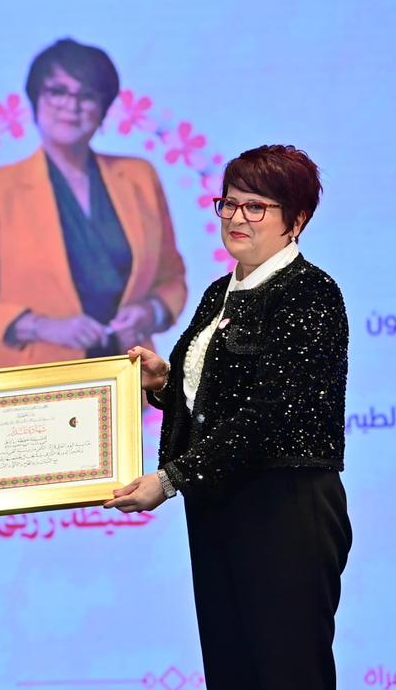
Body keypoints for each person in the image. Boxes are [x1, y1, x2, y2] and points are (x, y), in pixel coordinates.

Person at [105, 145, 351, 689]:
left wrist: (170, 479)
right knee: (231, 671)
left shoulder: (310, 292)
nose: (237, 217)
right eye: (230, 203)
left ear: (296, 221)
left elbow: (267, 415)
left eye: (256, 206)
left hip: (284, 510)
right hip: (220, 509)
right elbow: (216, 403)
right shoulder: (221, 292)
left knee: (286, 674)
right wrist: (165, 384)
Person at [0, 38, 186, 369]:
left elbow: (172, 279)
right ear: (35, 99)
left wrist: (151, 312)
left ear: (104, 109)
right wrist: (41, 326)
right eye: (57, 91)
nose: (71, 106)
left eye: (87, 95)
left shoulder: (140, 177)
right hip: (35, 380)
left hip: (127, 373)